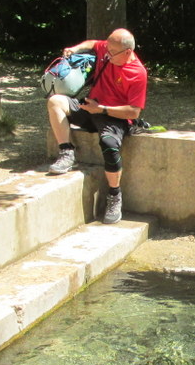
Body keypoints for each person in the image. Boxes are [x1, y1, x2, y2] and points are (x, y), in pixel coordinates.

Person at [46, 28, 148, 225]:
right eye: (107, 49)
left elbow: (133, 112)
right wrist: (74, 49)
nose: (106, 54)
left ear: (127, 52)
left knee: (109, 144)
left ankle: (114, 195)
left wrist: (102, 109)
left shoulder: (138, 73)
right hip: (90, 106)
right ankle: (66, 152)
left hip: (113, 116)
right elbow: (93, 44)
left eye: (112, 52)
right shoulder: (108, 49)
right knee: (55, 101)